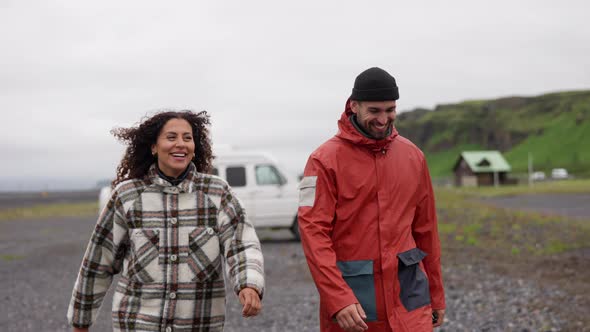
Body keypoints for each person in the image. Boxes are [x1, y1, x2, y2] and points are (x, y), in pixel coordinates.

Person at [67, 110, 264, 332]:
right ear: (153, 146)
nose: (180, 144)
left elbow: (242, 244)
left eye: (187, 138)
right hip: (137, 324)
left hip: (200, 324)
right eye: (171, 137)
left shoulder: (216, 192)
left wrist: (248, 283)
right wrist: (80, 322)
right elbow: (98, 261)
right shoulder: (127, 195)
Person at [298, 67, 445, 332]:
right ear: (354, 106)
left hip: (410, 298)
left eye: (390, 110)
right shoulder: (323, 160)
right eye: (374, 111)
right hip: (355, 303)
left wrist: (436, 294)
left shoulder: (413, 156)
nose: (383, 119)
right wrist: (338, 298)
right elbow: (313, 233)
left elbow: (426, 230)